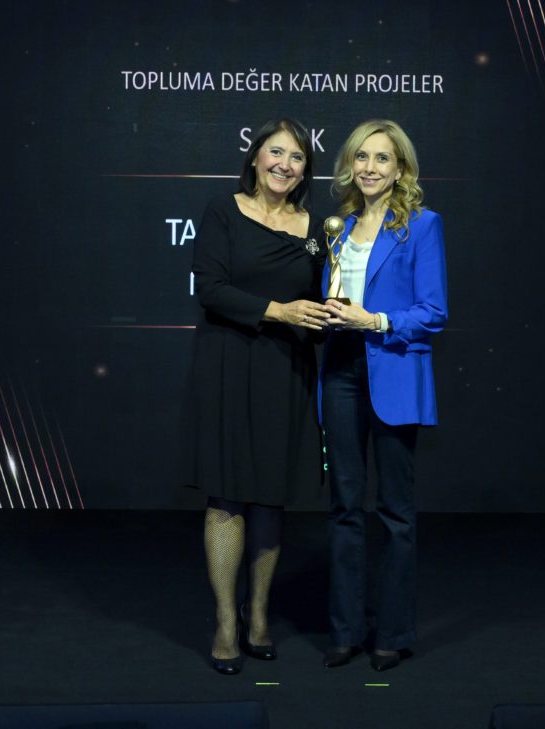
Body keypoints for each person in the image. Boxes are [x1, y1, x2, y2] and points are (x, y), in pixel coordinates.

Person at [183, 118, 329, 674]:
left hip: (285, 370)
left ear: (305, 170)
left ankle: (259, 613)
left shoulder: (317, 228)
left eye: (297, 157)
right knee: (227, 497)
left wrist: (330, 317)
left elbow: (323, 298)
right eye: (276, 152)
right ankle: (226, 619)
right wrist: (279, 311)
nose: (284, 164)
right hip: (227, 363)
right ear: (255, 157)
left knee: (270, 497)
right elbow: (211, 289)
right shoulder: (224, 211)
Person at [320, 119, 448, 672]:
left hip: (392, 369)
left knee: (395, 512)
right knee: (344, 507)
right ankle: (345, 631)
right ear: (350, 165)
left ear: (400, 170)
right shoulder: (339, 227)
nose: (369, 168)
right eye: (361, 157)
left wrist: (375, 320)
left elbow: (433, 312)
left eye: (382, 159)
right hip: (340, 370)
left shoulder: (422, 226)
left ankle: (392, 633)